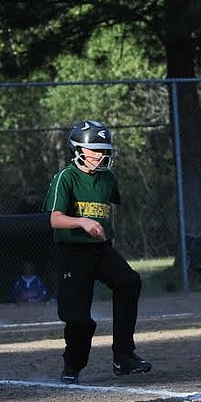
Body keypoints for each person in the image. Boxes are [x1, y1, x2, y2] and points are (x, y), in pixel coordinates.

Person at [44, 119, 151, 383]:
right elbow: (55, 219)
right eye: (96, 150)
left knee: (129, 282)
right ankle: (72, 365)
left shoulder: (107, 179)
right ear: (79, 150)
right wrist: (81, 221)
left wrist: (109, 237)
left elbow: (109, 209)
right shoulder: (65, 177)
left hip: (101, 250)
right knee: (80, 319)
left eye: (105, 150)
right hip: (72, 252)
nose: (102, 155)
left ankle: (123, 357)